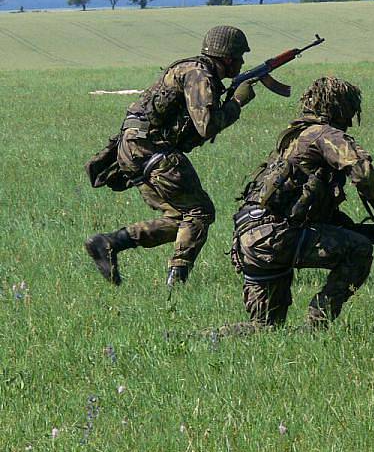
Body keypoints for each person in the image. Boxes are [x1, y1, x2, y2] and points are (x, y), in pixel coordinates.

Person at [85, 25, 256, 287]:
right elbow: (206, 126)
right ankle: (177, 281)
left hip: (132, 150)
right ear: (228, 57)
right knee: (199, 212)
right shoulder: (199, 75)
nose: (243, 62)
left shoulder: (190, 70)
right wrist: (236, 103)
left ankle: (109, 243)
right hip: (152, 150)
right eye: (240, 57)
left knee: (178, 218)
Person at [231, 76, 374, 327]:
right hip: (277, 236)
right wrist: (371, 196)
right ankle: (318, 324)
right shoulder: (325, 134)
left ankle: (195, 339)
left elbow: (306, 208)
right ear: (341, 109)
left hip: (252, 239)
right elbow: (363, 174)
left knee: (265, 328)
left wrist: (361, 229)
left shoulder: (292, 140)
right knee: (359, 249)